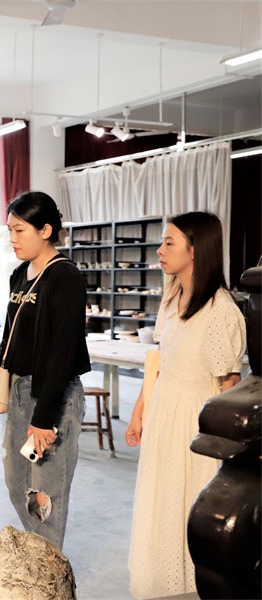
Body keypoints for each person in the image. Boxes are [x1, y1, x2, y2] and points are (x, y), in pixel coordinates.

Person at [125, 211, 246, 599]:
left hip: (196, 422)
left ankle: (189, 587)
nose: (159, 250)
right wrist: (139, 411)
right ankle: (157, 586)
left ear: (195, 250)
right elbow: (160, 362)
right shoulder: (172, 297)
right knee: (159, 502)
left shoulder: (221, 310)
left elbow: (229, 384)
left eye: (169, 243)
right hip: (164, 411)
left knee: (189, 505)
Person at [0, 191, 90, 549]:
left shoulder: (65, 276)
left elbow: (62, 352)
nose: (12, 239)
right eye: (10, 230)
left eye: (19, 230)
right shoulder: (20, 274)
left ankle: (49, 568)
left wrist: (44, 417)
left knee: (45, 494)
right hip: (19, 391)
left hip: (52, 396)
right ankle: (40, 557)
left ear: (45, 231)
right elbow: (10, 337)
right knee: (17, 484)